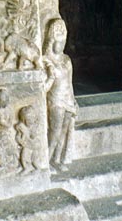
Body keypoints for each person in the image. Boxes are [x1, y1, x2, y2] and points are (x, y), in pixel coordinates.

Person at [42, 18, 77, 171]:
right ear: (51, 41)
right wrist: (50, 75)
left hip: (67, 97)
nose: (61, 45)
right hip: (55, 99)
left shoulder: (66, 60)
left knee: (64, 129)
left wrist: (74, 100)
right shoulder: (46, 60)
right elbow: (44, 88)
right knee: (55, 131)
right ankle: (46, 161)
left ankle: (56, 159)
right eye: (59, 42)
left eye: (64, 42)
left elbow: (69, 82)